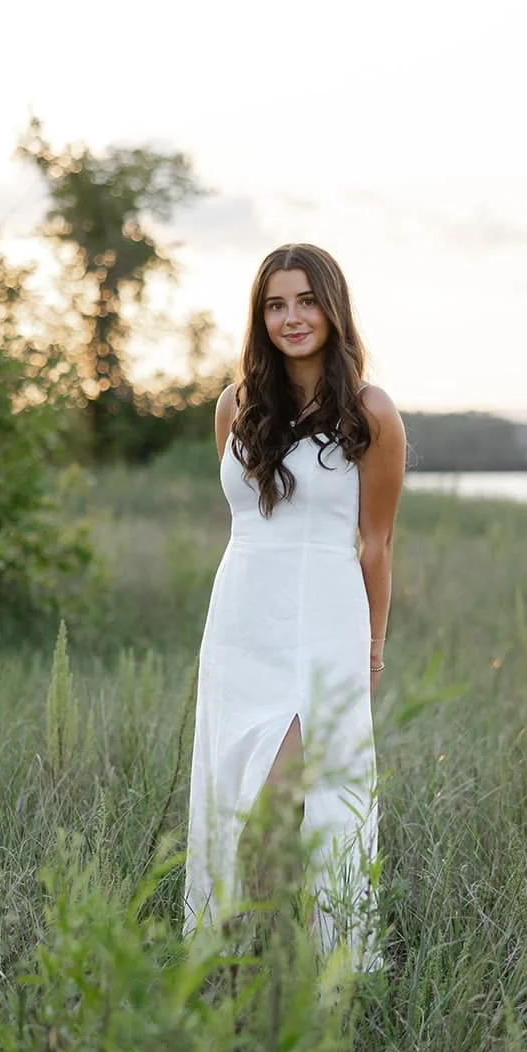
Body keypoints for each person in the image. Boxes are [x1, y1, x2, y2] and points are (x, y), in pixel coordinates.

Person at [183, 243, 406, 970]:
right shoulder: (234, 406)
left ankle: (319, 971)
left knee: (290, 807)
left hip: (323, 626)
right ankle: (249, 970)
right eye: (275, 305)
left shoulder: (371, 414)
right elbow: (245, 524)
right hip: (241, 623)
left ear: (332, 309)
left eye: (305, 301)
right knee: (237, 807)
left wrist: (371, 649)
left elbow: (374, 545)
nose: (291, 318)